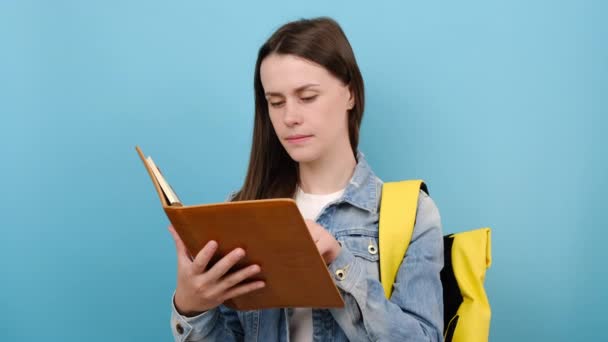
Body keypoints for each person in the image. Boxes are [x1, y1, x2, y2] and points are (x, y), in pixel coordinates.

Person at [167, 17, 444, 342]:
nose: (289, 118)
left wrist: (339, 262)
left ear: (350, 94)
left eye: (307, 97)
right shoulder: (241, 210)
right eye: (276, 102)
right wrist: (191, 308)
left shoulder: (413, 214)